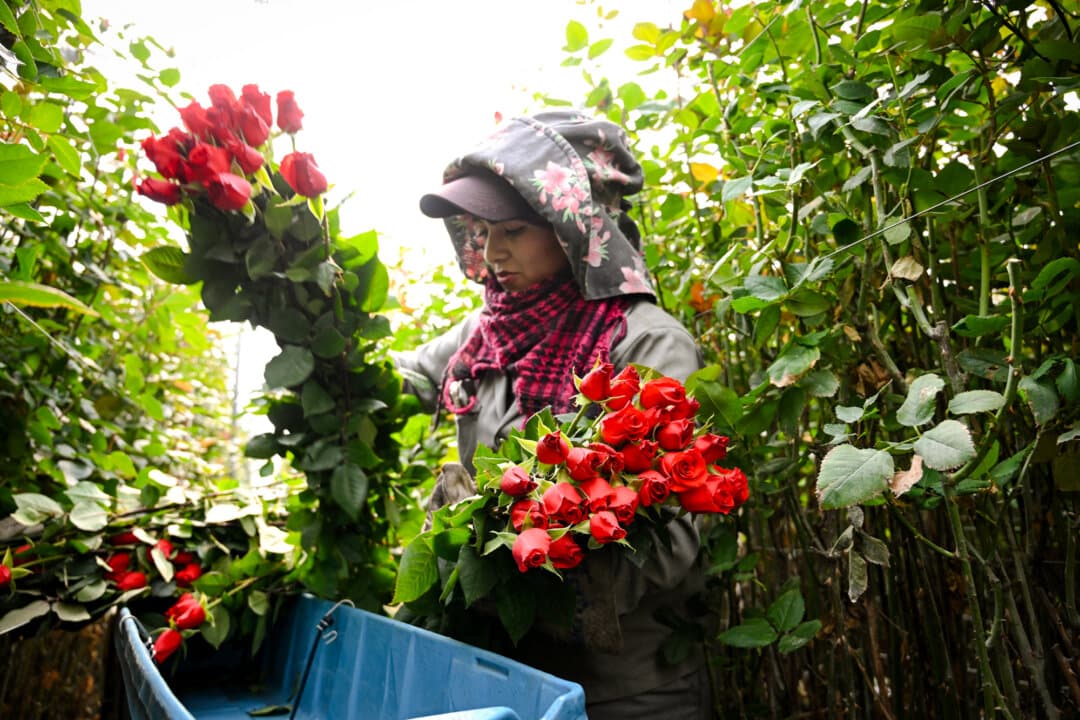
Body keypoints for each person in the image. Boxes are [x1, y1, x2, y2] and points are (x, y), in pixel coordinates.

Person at [394, 110, 710, 720]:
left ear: (573, 232)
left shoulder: (645, 347)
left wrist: (514, 572)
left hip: (626, 690)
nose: (490, 250)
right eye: (482, 229)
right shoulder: (488, 331)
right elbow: (402, 379)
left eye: (512, 228)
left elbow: (671, 538)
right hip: (514, 677)